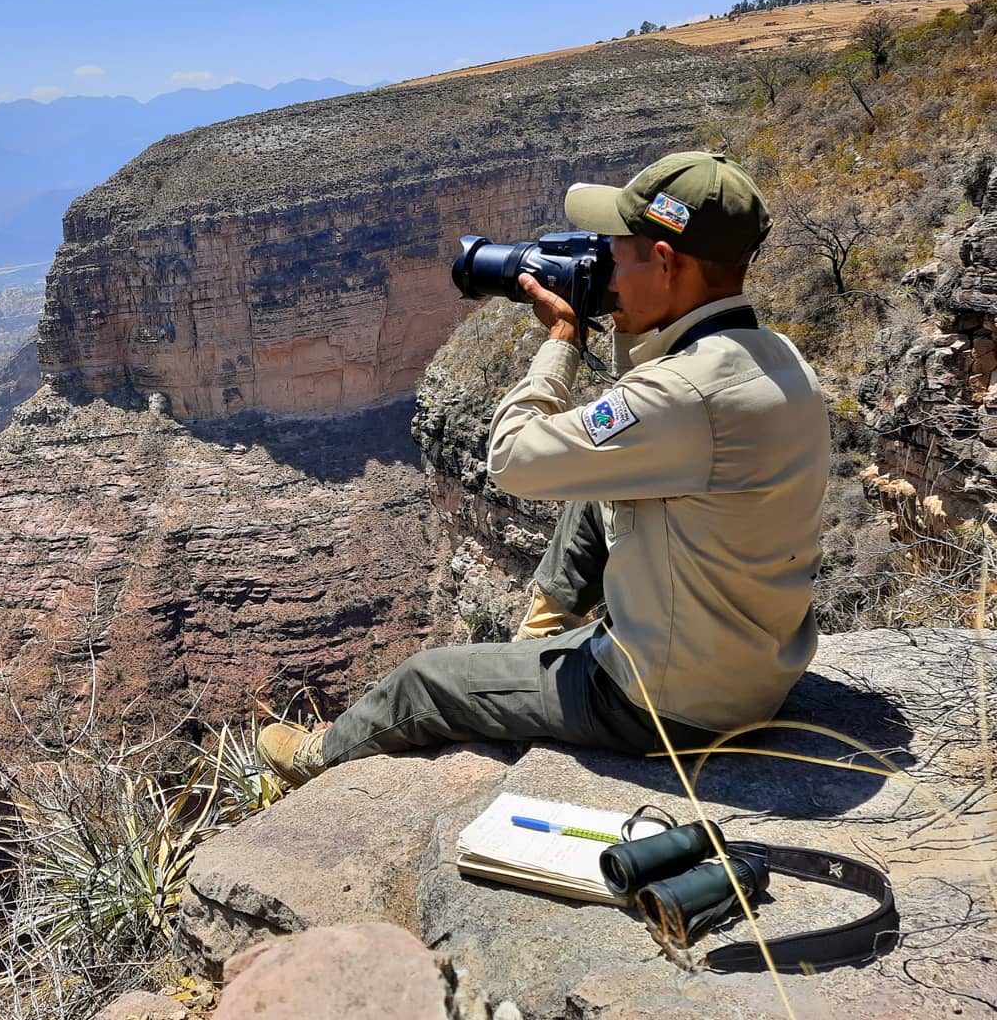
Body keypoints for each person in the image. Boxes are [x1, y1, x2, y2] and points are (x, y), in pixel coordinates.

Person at [258, 151, 831, 786]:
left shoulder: (684, 396)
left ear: (665, 263)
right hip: (756, 668)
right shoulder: (774, 357)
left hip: (669, 704)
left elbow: (513, 459)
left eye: (617, 256)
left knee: (424, 680)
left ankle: (315, 760)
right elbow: (638, 428)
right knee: (597, 486)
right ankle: (540, 638)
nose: (605, 270)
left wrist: (561, 340)